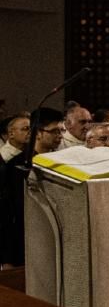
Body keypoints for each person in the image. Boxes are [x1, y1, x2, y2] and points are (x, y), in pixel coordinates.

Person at [1, 107, 64, 269]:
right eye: (54, 131)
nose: (59, 136)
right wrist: (7, 257)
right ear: (39, 133)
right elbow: (9, 214)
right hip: (23, 243)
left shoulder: (61, 163)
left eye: (61, 131)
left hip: (54, 240)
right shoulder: (17, 166)